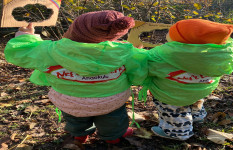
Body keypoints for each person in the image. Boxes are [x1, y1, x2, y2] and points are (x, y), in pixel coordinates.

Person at [4, 10, 148, 144]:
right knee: (113, 120)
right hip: (111, 100)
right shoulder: (125, 52)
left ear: (75, 29)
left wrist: (26, 36)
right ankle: (113, 137)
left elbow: (20, 52)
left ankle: (79, 134)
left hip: (69, 101)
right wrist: (138, 54)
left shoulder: (50, 50)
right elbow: (139, 71)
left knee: (75, 119)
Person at [141, 19, 233, 140]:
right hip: (201, 88)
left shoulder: (162, 54)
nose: (168, 35)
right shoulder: (219, 54)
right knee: (196, 98)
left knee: (174, 108)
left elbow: (145, 66)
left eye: (172, 33)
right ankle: (197, 116)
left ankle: (177, 131)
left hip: (172, 93)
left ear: (183, 40)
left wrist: (137, 52)